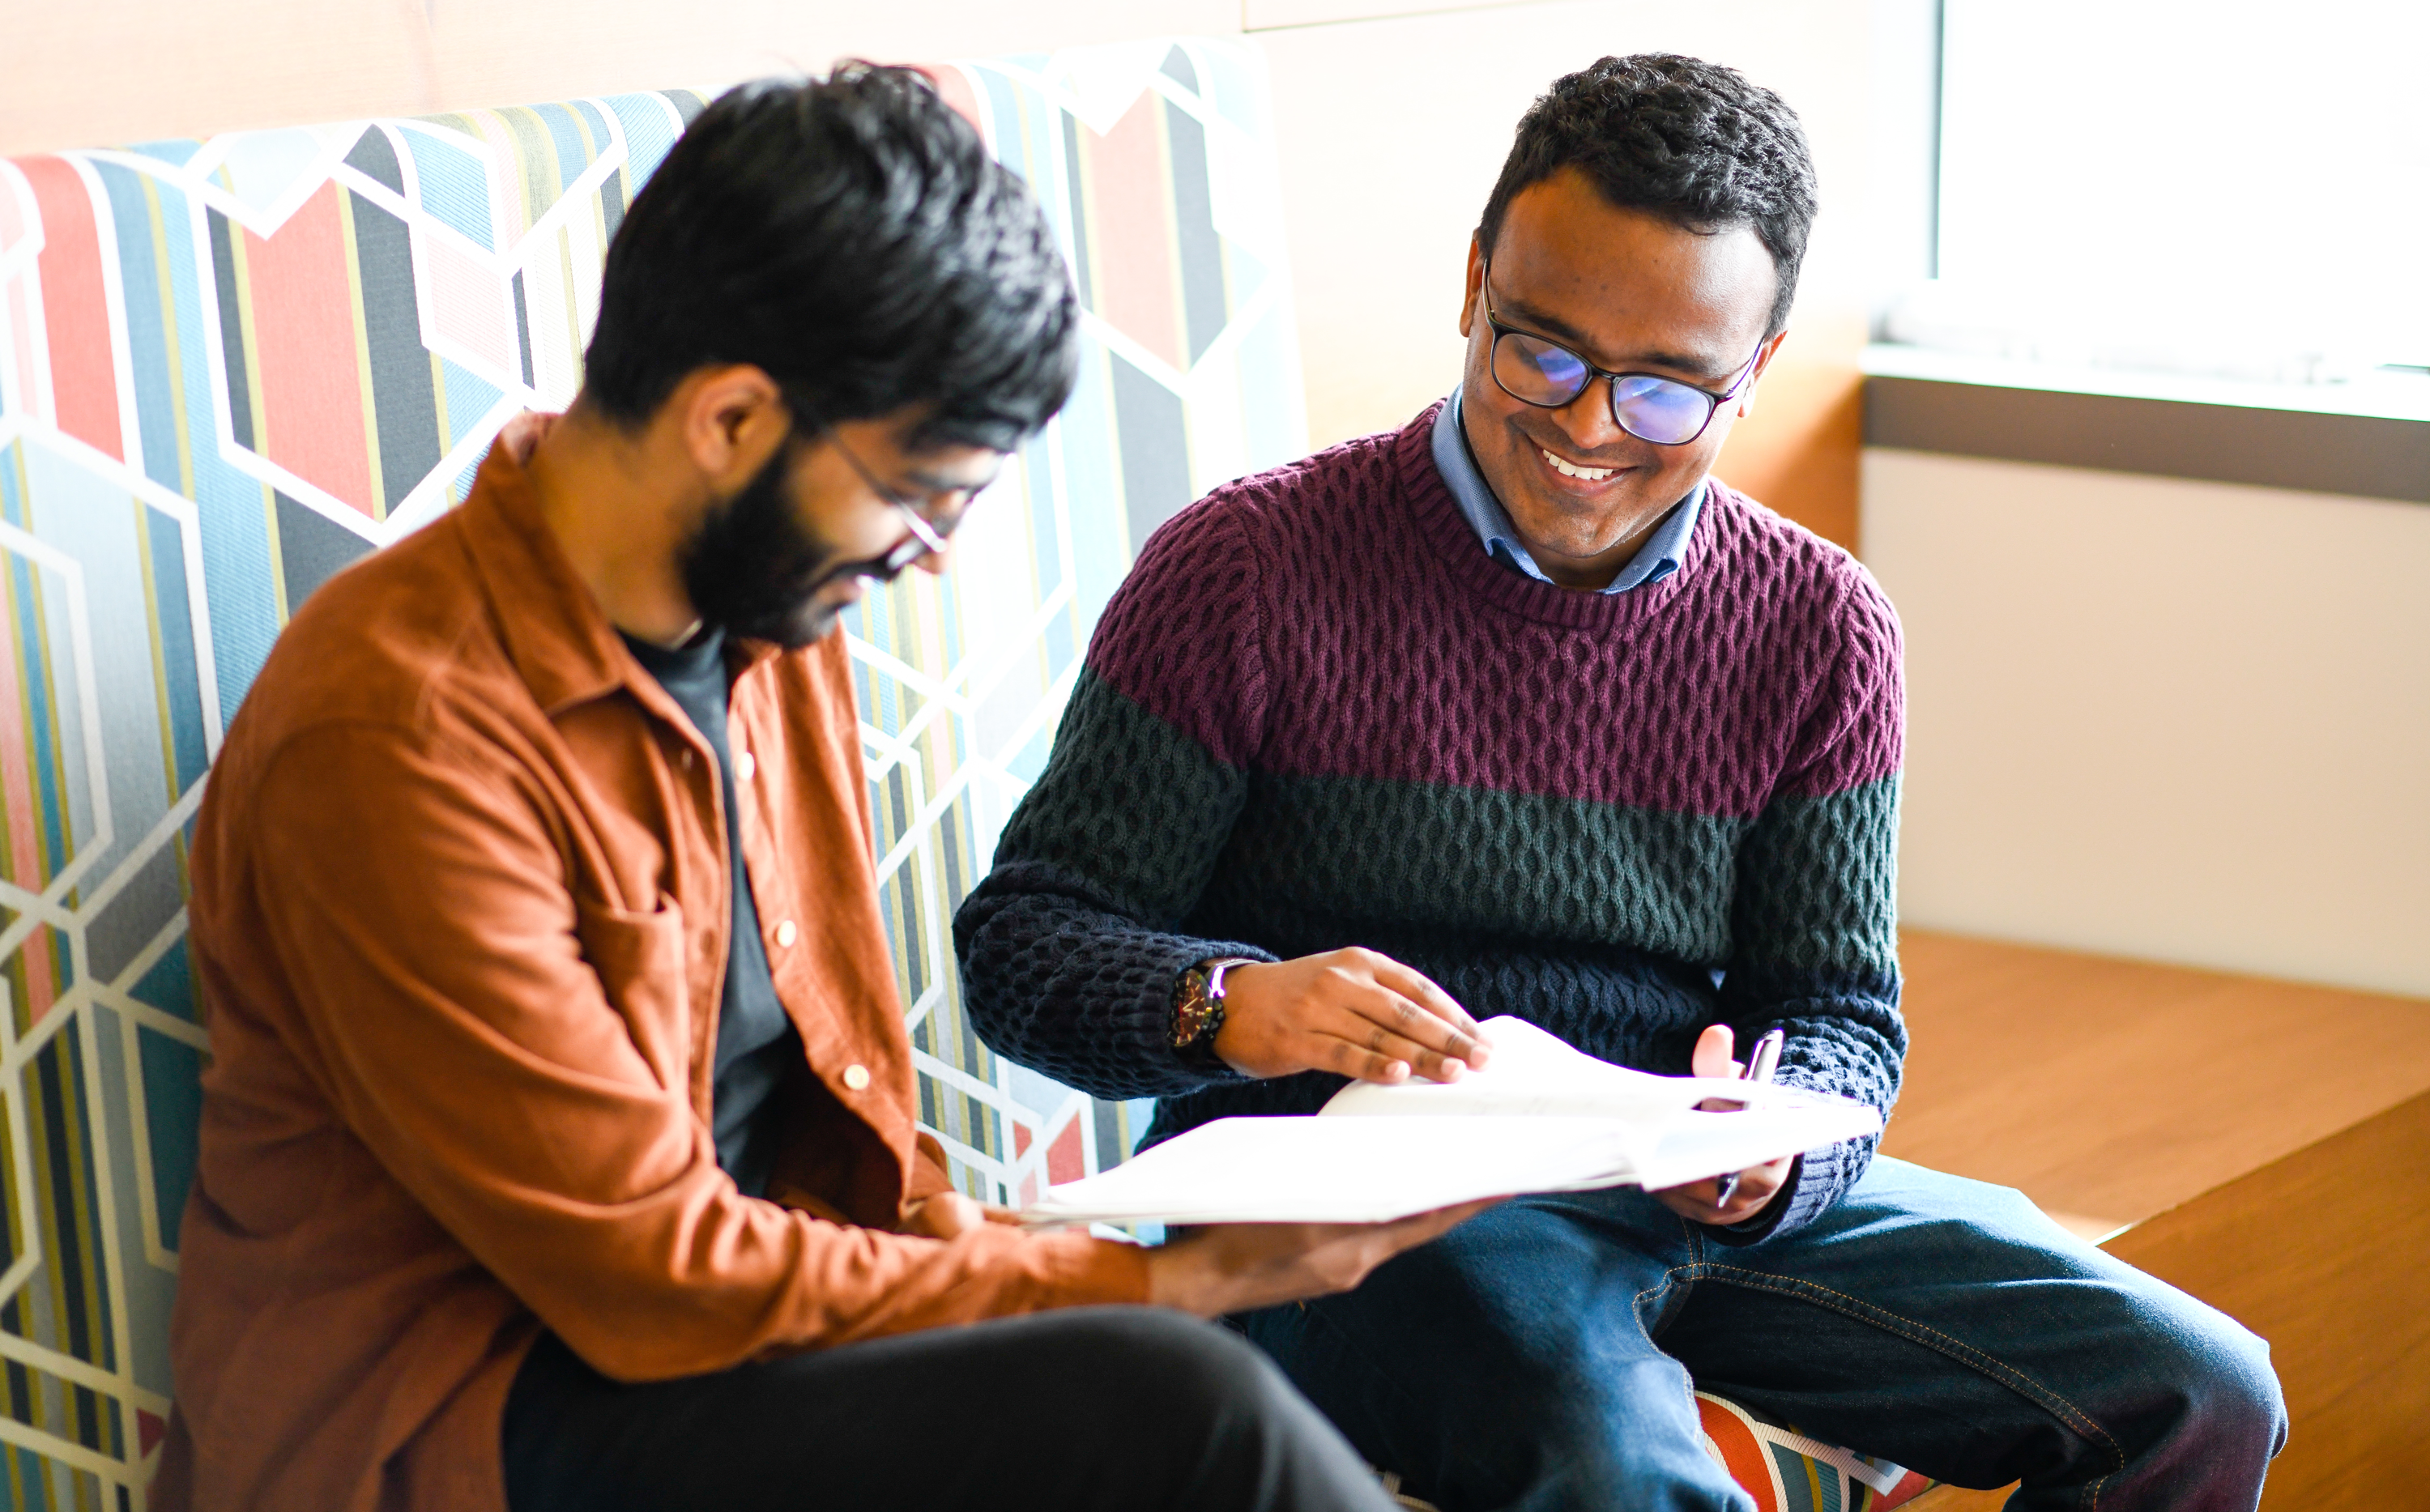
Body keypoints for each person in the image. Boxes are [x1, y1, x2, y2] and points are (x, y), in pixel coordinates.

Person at [956, 53, 2287, 1512]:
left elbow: (1839, 1018)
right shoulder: (1248, 570)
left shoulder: (1819, 626)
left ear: (1757, 370)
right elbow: (1025, 942)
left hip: (1684, 1193)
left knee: (2201, 1391)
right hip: (1359, 1215)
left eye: (1666, 393)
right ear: (1473, 284)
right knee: (1616, 1467)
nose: (1589, 427)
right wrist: (1233, 1002)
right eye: (1543, 352)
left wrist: (1774, 1150)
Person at [158, 66, 1485, 1512]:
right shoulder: (398, 735)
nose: (930, 550)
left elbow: (838, 1123)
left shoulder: (767, 616)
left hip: (722, 1347)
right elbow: (648, 1270)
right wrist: (1160, 1283)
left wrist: (1038, 1265)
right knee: (1182, 1401)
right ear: (731, 418)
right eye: (919, 493)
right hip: (463, 1416)